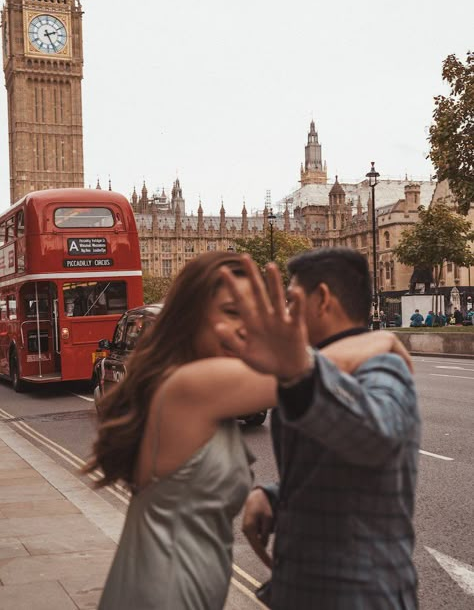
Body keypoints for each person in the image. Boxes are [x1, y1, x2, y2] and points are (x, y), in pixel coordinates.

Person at [84, 252, 406, 610]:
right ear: (189, 318)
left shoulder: (195, 386)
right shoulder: (189, 386)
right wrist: (376, 341)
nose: (246, 328)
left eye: (251, 315)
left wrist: (272, 496)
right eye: (232, 312)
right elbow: (299, 372)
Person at [217, 248, 420, 610]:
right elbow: (337, 466)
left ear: (323, 299)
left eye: (293, 301)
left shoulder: (383, 366)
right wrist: (277, 496)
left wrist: (301, 370)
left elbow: (378, 437)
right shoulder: (322, 365)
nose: (286, 314)